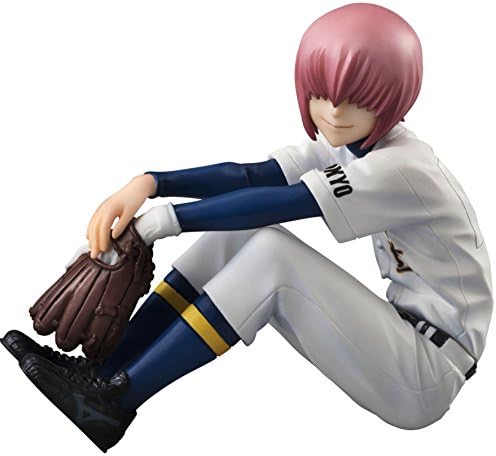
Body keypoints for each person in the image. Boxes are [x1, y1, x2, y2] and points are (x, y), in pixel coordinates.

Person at [2, 3, 492, 452]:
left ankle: (115, 402)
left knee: (272, 254)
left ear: (393, 98)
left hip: (427, 372)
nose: (335, 113)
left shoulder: (403, 167)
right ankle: (104, 373)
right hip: (401, 341)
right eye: (323, 93)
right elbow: (252, 177)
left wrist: (163, 223)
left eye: (356, 98)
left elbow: (285, 202)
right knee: (241, 234)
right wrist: (151, 183)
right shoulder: (350, 145)